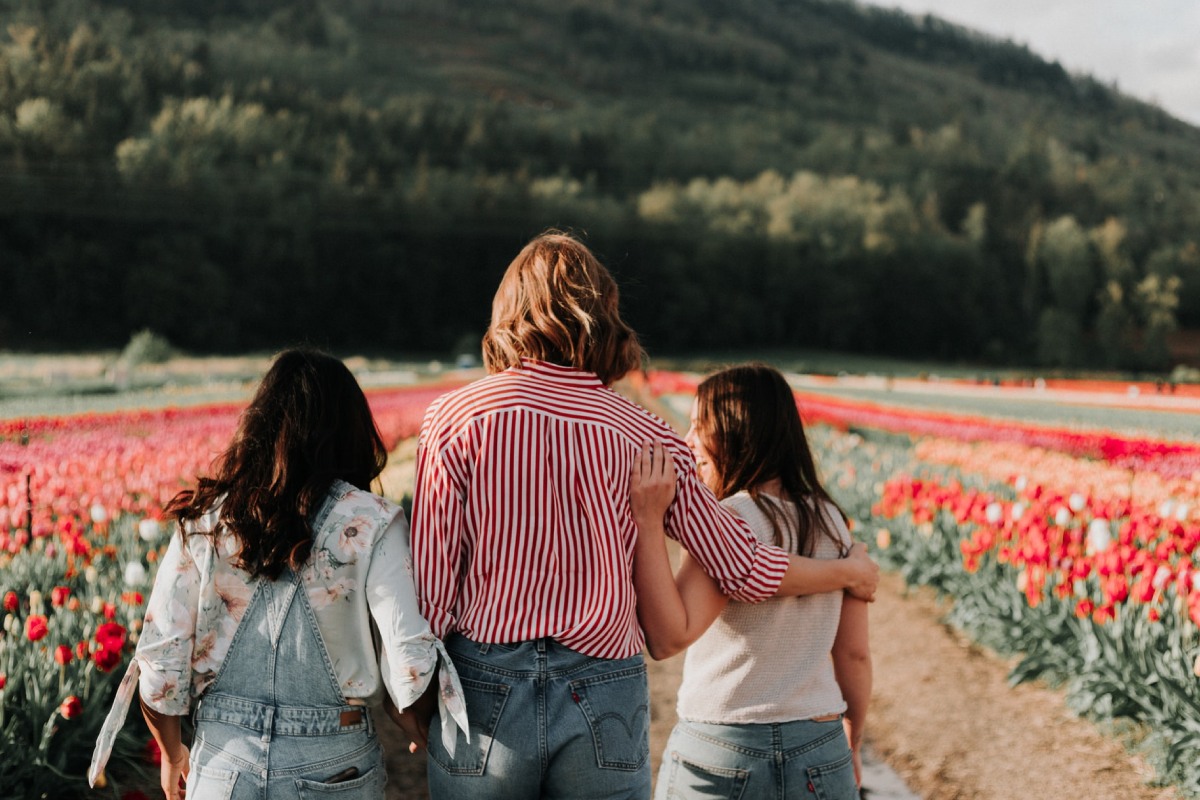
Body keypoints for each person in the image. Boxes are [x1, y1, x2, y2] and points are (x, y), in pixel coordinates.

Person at [409, 231, 878, 799]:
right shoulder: (645, 435)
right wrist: (845, 573)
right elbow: (742, 566)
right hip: (602, 685)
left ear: (508, 314)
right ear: (602, 315)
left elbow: (432, 586)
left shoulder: (456, 419)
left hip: (483, 686)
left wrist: (415, 700)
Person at [87, 348, 468, 800]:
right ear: (351, 429)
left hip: (223, 766)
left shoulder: (205, 520)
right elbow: (409, 663)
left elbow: (159, 668)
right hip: (334, 765)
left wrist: (173, 754)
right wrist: (419, 719)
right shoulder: (372, 521)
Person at [630, 363, 871, 800]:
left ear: (734, 432)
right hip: (819, 744)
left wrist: (648, 521)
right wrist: (850, 743)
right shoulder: (834, 522)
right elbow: (853, 654)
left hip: (723, 745)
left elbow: (667, 639)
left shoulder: (728, 521)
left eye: (699, 427)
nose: (688, 442)